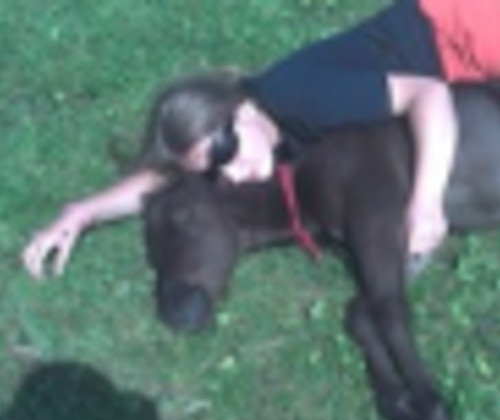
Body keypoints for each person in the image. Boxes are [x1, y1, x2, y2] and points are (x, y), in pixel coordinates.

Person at [22, 0, 500, 279]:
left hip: (465, 29)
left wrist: (426, 204)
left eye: (225, 152)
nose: (231, 175)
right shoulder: (257, 125)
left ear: (243, 111)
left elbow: (428, 95)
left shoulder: (300, 97)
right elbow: (168, 174)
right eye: (215, 169)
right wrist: (82, 212)